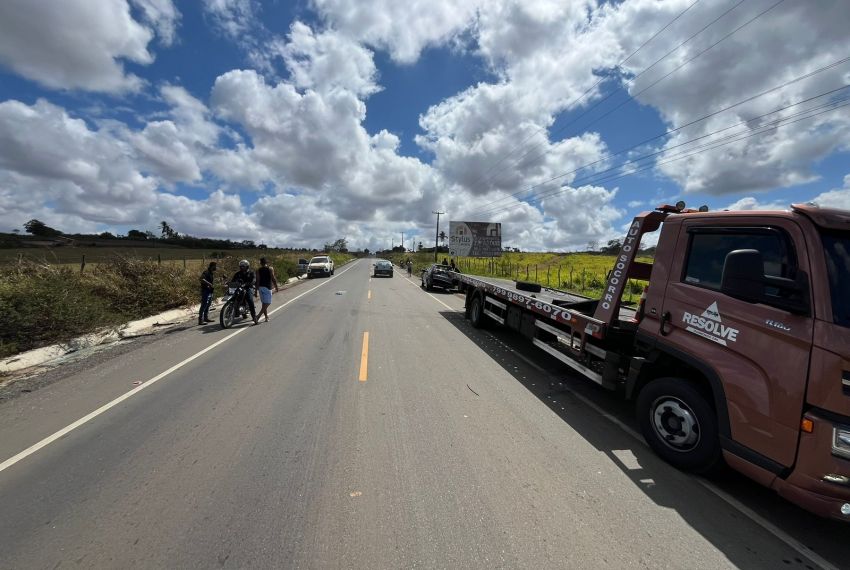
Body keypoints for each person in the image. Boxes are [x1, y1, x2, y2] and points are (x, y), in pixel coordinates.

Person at [232, 259, 259, 325]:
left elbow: (253, 280)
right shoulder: (238, 274)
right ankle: (237, 311)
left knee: (250, 300)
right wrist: (229, 283)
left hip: (248, 288)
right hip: (239, 288)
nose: (241, 267)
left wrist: (248, 284)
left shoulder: (251, 273)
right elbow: (233, 280)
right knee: (234, 298)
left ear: (247, 266)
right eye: (240, 266)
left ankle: (254, 317)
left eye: (243, 266)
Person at [255, 257, 279, 323]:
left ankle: (266, 317)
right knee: (268, 303)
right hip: (267, 288)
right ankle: (258, 316)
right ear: (267, 262)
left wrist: (255, 291)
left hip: (260, 288)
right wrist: (276, 287)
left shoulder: (258, 270)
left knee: (264, 303)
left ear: (261, 263)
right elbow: (273, 278)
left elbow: (257, 281)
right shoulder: (270, 269)